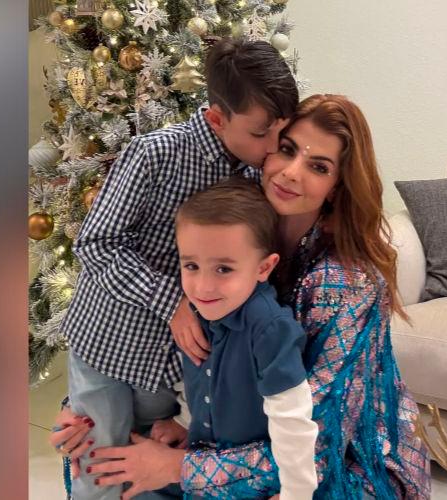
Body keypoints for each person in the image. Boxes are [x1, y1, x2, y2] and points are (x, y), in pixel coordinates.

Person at [85, 95, 432, 499]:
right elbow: (138, 322)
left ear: (337, 187)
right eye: (286, 150)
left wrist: (178, 467)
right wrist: (86, 408)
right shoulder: (231, 215)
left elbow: (318, 445)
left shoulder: (346, 284)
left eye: (318, 167)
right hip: (236, 435)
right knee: (105, 458)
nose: (290, 173)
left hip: (341, 463)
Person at [47, 38, 298, 500]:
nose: (272, 149)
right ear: (218, 118)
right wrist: (173, 302)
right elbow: (96, 243)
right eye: (261, 133)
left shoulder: (255, 175)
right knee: (100, 472)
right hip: (107, 347)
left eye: (279, 135)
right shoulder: (155, 154)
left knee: (153, 471)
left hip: (175, 367)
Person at [173, 178, 319, 499]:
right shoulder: (200, 310)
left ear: (264, 268)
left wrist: (296, 493)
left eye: (223, 269)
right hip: (204, 469)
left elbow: (292, 418)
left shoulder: (269, 327)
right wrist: (183, 422)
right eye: (191, 266)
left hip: (251, 482)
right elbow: (199, 379)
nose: (203, 286)